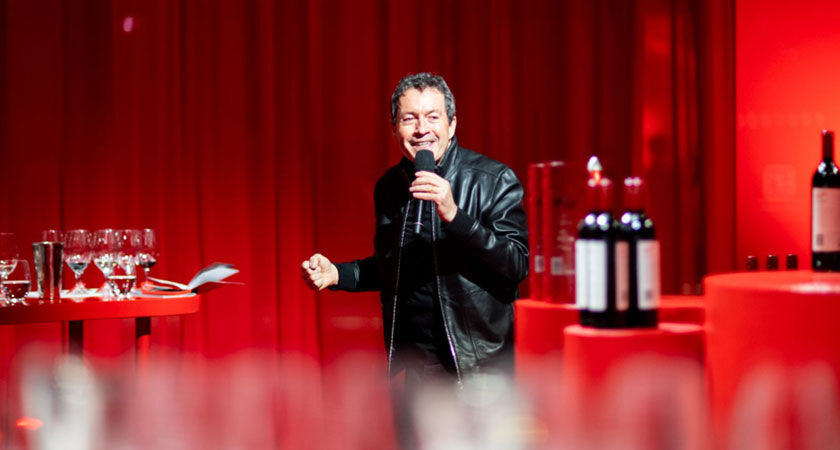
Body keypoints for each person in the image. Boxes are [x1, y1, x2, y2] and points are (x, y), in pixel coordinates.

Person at [301, 72, 528, 386]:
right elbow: (397, 266)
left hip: (479, 367)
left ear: (452, 124)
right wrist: (337, 274)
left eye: (433, 117)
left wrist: (456, 216)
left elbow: (516, 264)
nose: (422, 129)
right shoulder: (390, 188)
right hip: (419, 369)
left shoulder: (493, 179)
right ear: (394, 128)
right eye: (409, 119)